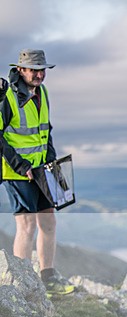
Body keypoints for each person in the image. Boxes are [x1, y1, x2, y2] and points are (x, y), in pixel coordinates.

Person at [1, 49, 73, 295]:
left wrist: (52, 165)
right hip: (16, 172)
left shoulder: (43, 92)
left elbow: (45, 131)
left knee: (49, 221)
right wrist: (21, 166)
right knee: (27, 225)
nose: (39, 75)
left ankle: (48, 277)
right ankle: (22, 284)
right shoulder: (6, 96)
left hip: (42, 168)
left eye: (42, 70)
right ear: (20, 69)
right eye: (34, 70)